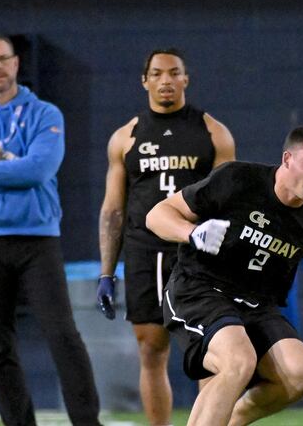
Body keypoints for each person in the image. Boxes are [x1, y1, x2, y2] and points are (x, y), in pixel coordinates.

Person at [0, 33, 101, 426]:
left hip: (37, 238)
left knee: (63, 336)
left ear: (15, 64)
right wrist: (14, 171)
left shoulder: (46, 114)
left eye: (4, 59)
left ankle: (86, 421)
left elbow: (40, 169)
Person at [145, 126, 303, 426]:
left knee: (301, 374)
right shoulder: (238, 179)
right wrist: (192, 233)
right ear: (287, 159)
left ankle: (233, 419)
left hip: (256, 305)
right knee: (238, 361)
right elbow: (157, 214)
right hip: (199, 290)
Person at [95, 48, 235, 426]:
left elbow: (229, 203)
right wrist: (107, 272)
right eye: (157, 73)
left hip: (196, 252)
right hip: (145, 253)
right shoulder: (125, 137)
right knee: (151, 349)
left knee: (208, 351)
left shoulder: (213, 132)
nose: (166, 80)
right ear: (145, 81)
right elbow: (113, 209)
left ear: (186, 79)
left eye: (174, 73)